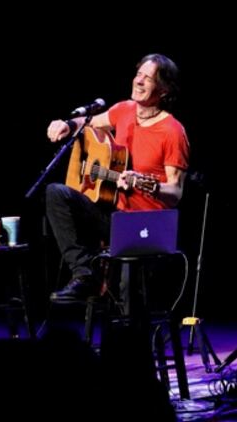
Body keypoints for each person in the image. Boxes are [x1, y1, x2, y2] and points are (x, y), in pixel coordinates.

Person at [45, 53, 190, 303]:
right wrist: (68, 125)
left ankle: (131, 338)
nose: (139, 81)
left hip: (145, 227)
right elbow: (89, 122)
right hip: (112, 215)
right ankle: (84, 274)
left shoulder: (172, 131)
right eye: (138, 75)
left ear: (164, 90)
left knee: (127, 291)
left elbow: (175, 193)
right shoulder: (124, 110)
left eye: (149, 78)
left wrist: (149, 186)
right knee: (56, 192)